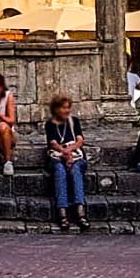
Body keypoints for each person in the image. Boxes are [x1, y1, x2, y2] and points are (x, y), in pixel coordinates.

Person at [43, 92, 88, 231]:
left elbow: (80, 140)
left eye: (68, 107)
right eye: (63, 108)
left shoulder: (74, 122)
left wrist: (70, 151)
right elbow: (53, 143)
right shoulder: (50, 124)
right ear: (56, 109)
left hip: (76, 156)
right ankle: (62, 212)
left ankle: (80, 212)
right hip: (58, 156)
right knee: (60, 171)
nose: (66, 111)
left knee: (75, 170)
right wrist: (64, 154)